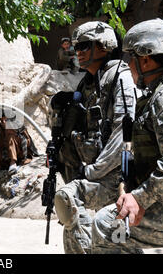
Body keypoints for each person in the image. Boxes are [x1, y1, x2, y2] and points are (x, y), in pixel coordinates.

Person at [91, 18, 163, 254]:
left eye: (130, 58)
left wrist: (141, 198)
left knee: (108, 226)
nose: (128, 65)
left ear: (146, 59)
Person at [53, 21, 137, 253]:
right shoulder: (89, 83)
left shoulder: (121, 78)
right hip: (98, 171)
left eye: (84, 47)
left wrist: (92, 171)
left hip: (120, 175)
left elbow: (123, 134)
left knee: (116, 238)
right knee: (68, 207)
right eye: (76, 47)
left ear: (103, 46)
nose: (77, 52)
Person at [0, 108, 39, 175]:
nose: (3, 122)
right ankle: (1, 164)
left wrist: (15, 136)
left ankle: (13, 162)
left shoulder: (17, 124)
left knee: (11, 137)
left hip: (21, 150)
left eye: (6, 119)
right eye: (2, 120)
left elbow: (28, 139)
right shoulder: (0, 127)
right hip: (7, 152)